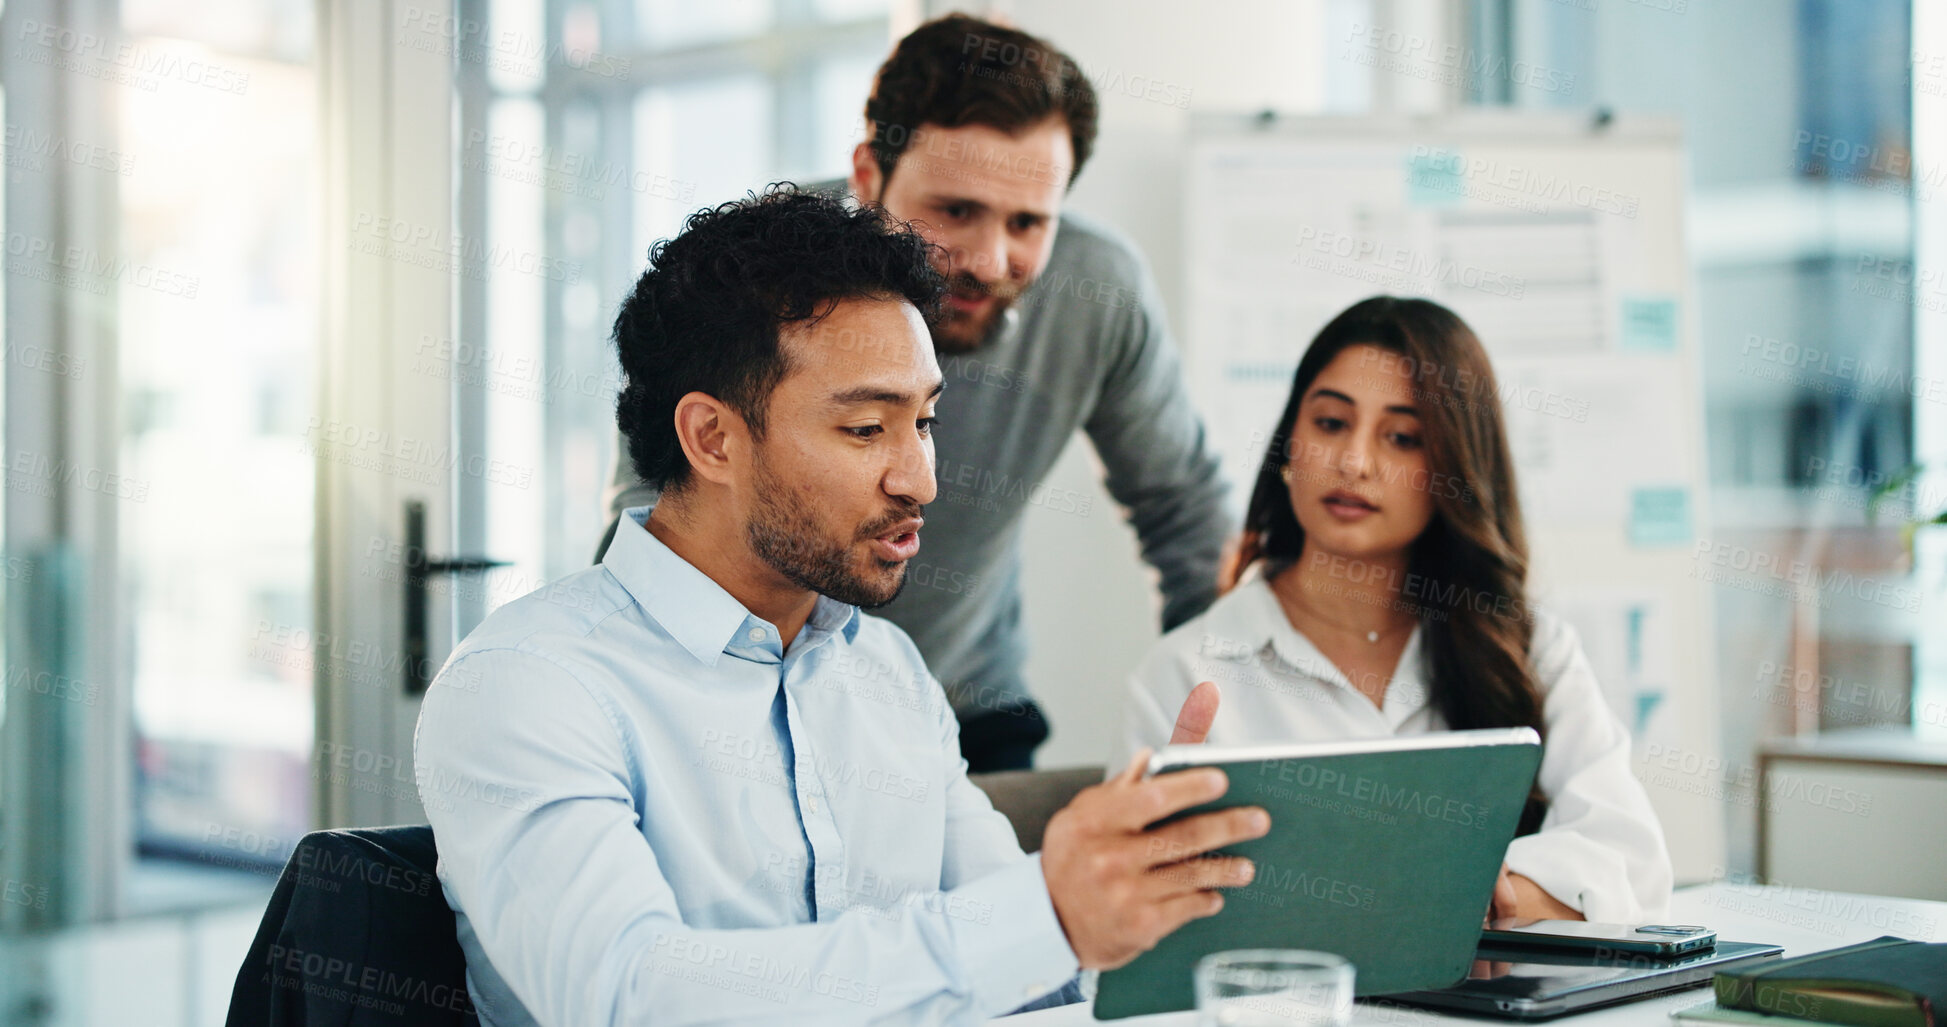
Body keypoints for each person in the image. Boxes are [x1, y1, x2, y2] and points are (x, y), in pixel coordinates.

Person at [417, 189, 1265, 1026]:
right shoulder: (527, 687)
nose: (920, 480)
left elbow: (1030, 976)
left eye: (925, 422)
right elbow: (636, 1000)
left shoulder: (887, 673)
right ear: (712, 437)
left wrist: (1137, 897)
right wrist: (1047, 913)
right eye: (867, 430)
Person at [599, 14, 1230, 771]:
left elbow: (1186, 511)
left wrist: (1222, 710)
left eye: (1028, 221)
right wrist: (635, 697)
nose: (988, 259)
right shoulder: (755, 282)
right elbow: (654, 505)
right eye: (955, 211)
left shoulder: (1099, 294)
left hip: (967, 707)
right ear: (867, 176)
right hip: (743, 702)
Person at [1124, 296, 1674, 924]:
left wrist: (1488, 899)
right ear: (1287, 448)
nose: (1355, 461)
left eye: (1403, 437)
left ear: (1455, 470)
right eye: (1331, 423)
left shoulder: (1529, 649)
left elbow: (1635, 867)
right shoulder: (1182, 671)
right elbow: (1124, 925)